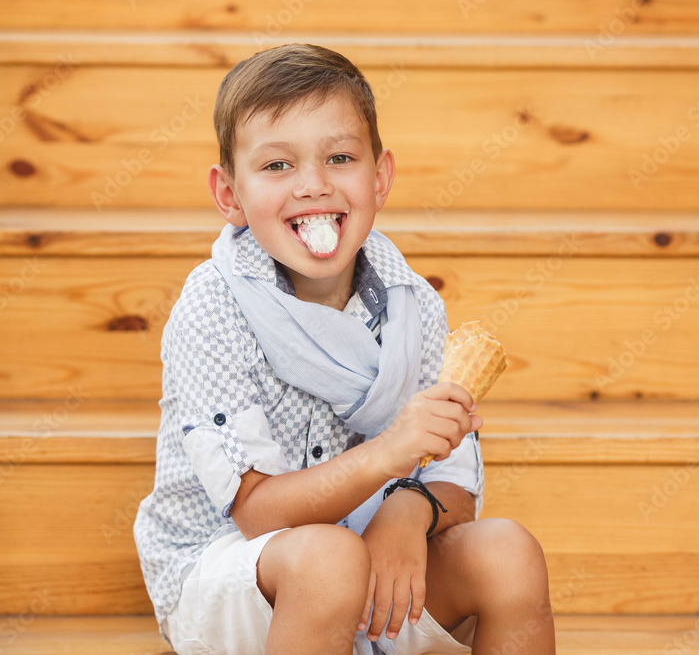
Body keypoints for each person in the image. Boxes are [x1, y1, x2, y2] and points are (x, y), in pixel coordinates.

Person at [133, 43, 554, 655]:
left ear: (378, 178)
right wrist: (389, 455)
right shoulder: (213, 306)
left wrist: (406, 512)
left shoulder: (413, 306)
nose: (313, 185)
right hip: (232, 573)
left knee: (509, 553)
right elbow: (256, 513)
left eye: (339, 158)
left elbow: (453, 481)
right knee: (330, 559)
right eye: (277, 165)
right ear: (230, 195)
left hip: (371, 554)